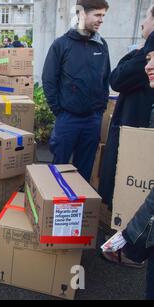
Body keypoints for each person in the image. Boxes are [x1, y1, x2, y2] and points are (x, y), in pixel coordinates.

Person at [42, 0, 111, 182]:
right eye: (97, 15)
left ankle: (79, 209)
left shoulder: (101, 45)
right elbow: (49, 81)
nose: (101, 20)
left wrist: (99, 110)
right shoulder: (61, 44)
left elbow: (105, 80)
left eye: (103, 15)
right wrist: (60, 111)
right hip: (68, 119)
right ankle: (56, 207)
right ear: (82, 14)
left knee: (84, 172)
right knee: (59, 168)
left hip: (92, 120)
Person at [99, 5, 154, 210]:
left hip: (136, 137)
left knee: (128, 192)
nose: (143, 22)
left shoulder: (146, 50)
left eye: (147, 16)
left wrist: (141, 52)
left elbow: (117, 78)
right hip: (136, 133)